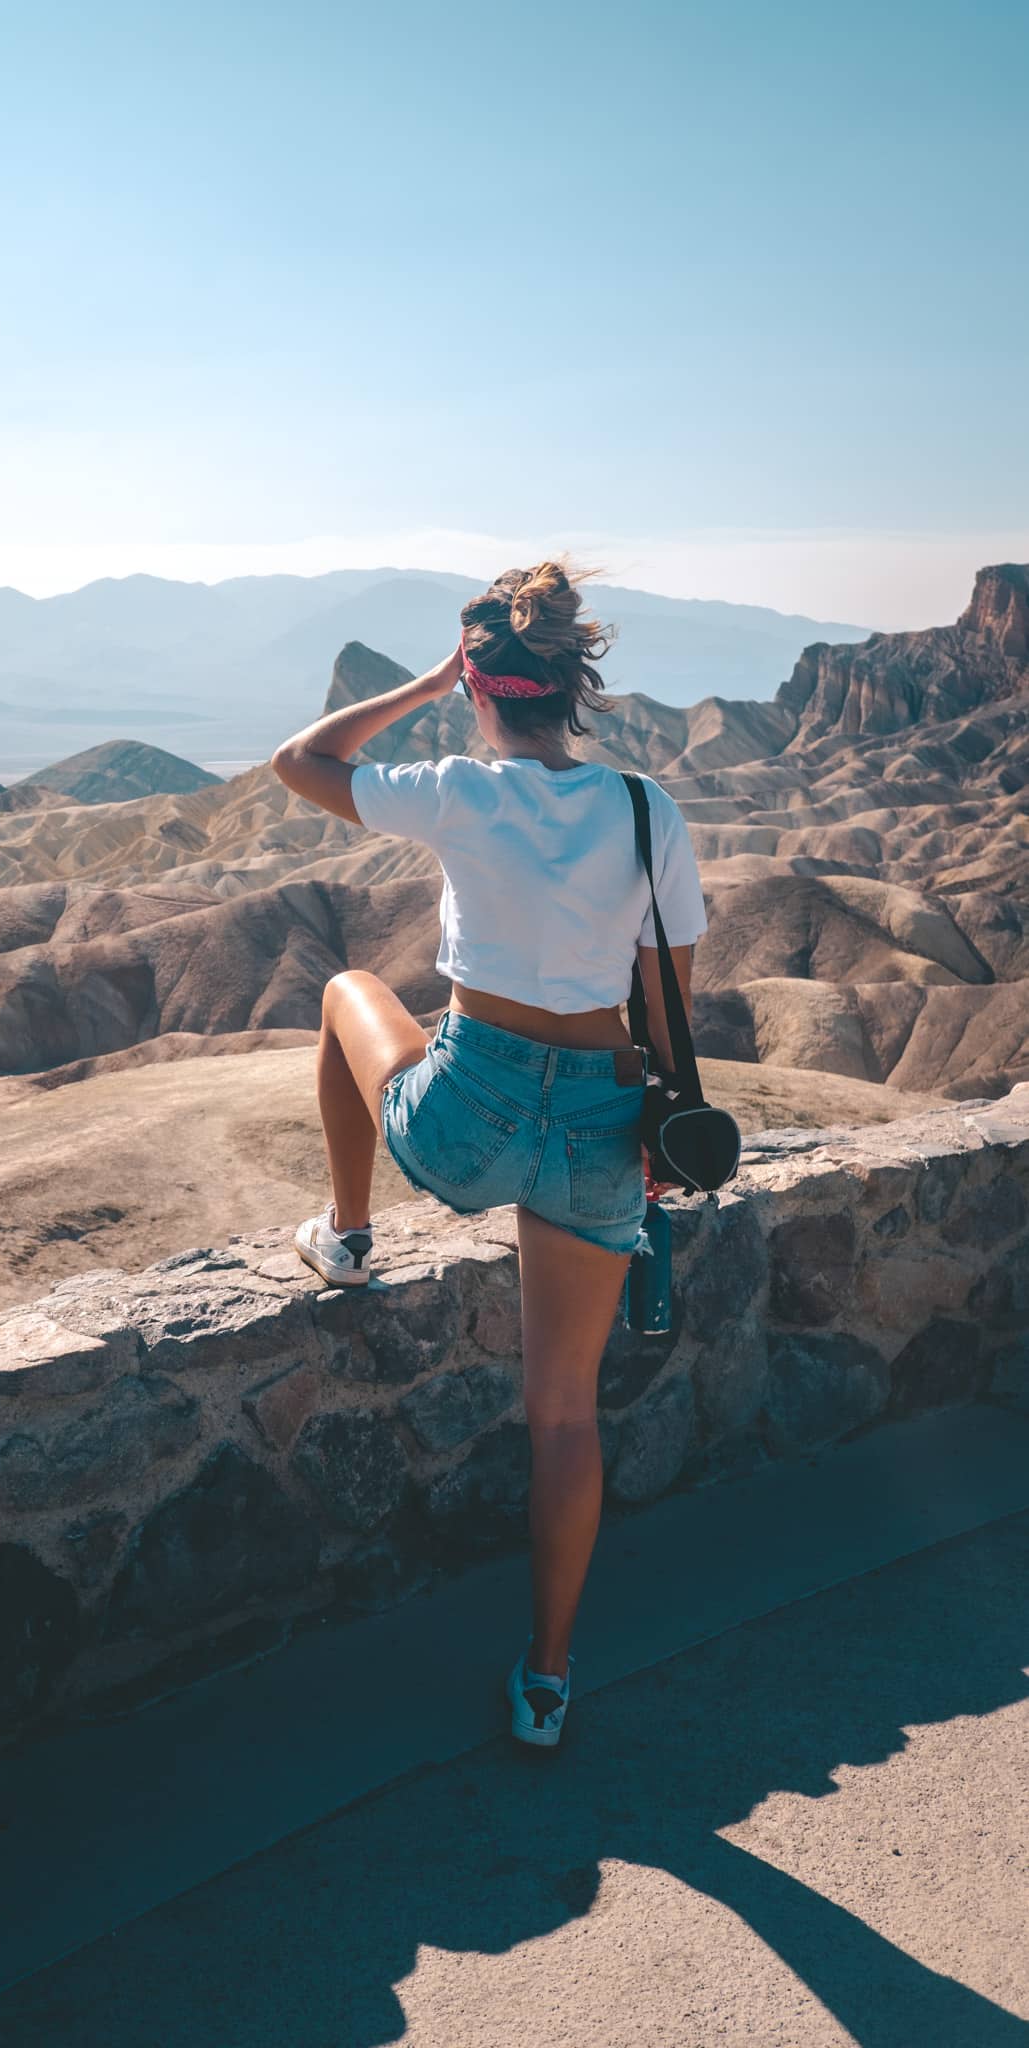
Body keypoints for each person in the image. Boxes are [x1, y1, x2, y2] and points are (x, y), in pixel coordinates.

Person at [270, 558, 709, 1751]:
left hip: (469, 1118)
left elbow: (298, 761)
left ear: (480, 684)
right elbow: (670, 1005)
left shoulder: (461, 789)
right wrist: (660, 1131)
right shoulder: (642, 809)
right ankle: (551, 1678)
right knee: (564, 1412)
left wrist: (420, 680)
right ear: (574, 685)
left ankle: (348, 1236)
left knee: (349, 985)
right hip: (604, 1123)